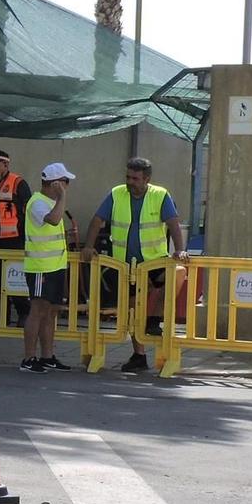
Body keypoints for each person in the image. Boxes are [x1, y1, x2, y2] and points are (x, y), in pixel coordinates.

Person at [83, 154, 185, 373]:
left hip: (155, 261)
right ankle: (139, 355)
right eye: (128, 177)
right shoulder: (116, 193)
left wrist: (180, 250)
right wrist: (88, 246)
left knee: (177, 273)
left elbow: (174, 225)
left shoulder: (160, 195)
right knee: (131, 311)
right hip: (126, 266)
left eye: (135, 179)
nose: (130, 182)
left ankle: (154, 319)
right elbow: (96, 221)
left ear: (146, 179)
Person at [20, 163, 74, 372]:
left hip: (54, 266)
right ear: (56, 184)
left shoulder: (49, 201)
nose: (67, 186)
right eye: (65, 183)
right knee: (37, 310)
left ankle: (47, 356)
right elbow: (53, 220)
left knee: (51, 311)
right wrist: (61, 198)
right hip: (40, 267)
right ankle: (28, 358)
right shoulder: (38, 203)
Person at [0, 148, 30, 323]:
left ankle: (23, 312)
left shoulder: (18, 182)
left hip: (15, 239)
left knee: (15, 278)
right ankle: (1, 314)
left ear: (6, 164)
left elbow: (27, 210)